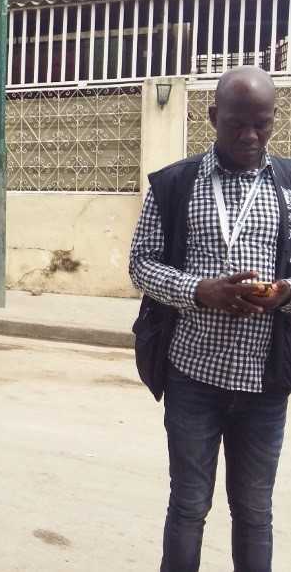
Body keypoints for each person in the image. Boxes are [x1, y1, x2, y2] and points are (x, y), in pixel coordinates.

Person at [130, 65, 291, 572]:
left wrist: (285, 294)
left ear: (273, 119)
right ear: (213, 115)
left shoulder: (289, 184)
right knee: (188, 508)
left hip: (264, 386)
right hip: (192, 380)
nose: (250, 136)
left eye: (262, 124)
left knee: (254, 513)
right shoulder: (175, 184)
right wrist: (198, 291)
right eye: (237, 123)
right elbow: (141, 264)